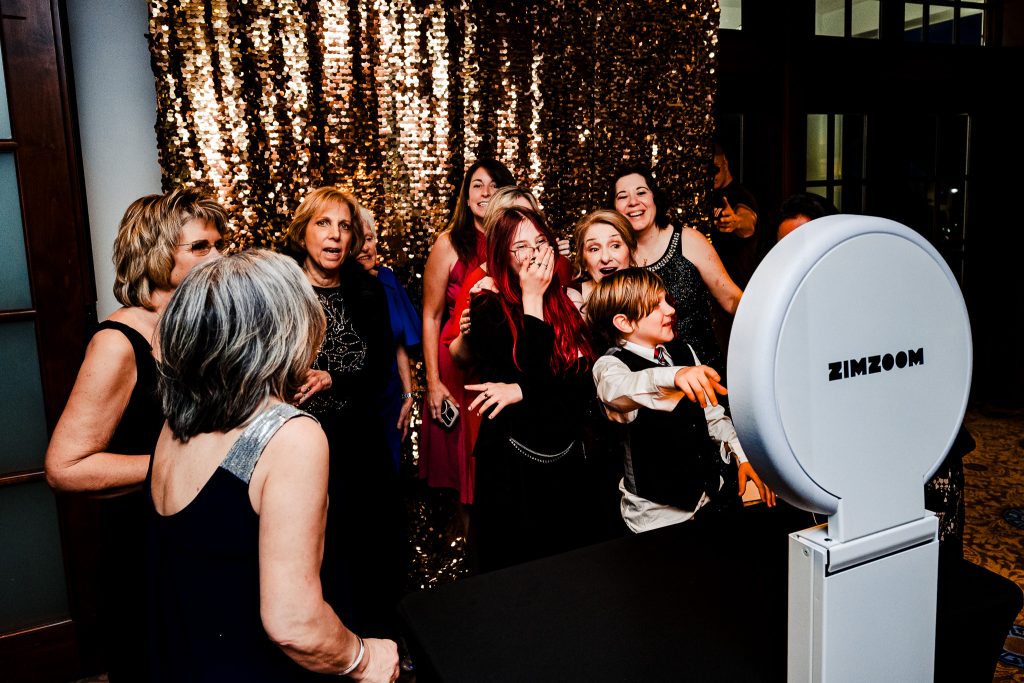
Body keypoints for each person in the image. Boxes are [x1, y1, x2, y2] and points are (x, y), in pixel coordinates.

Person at [148, 250, 399, 682]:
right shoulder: (289, 437)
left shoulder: (175, 421)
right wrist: (363, 658)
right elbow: (293, 624)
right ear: (283, 329)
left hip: (188, 657)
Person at [44, 188, 228, 682]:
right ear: (155, 251)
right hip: (144, 545)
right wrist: (178, 466)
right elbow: (66, 468)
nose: (218, 255)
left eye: (219, 242)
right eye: (201, 246)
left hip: (194, 530)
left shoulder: (196, 328)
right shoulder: (117, 343)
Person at [283, 187, 406, 641]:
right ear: (303, 231)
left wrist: (334, 378)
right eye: (323, 223)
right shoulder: (279, 286)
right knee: (316, 550)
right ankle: (326, 651)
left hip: (358, 441)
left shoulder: (367, 289)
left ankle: (380, 646)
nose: (335, 235)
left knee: (371, 548)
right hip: (296, 445)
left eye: (344, 226)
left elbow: (378, 370)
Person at [462, 207, 603, 571]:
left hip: (565, 463)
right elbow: (531, 369)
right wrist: (531, 300)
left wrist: (522, 390)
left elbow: (582, 386)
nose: (536, 253)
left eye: (541, 242)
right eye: (521, 246)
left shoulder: (570, 302)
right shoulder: (485, 307)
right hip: (514, 471)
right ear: (501, 257)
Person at [587, 268, 774, 533]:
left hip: (709, 498)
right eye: (655, 306)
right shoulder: (610, 366)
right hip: (656, 517)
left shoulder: (683, 350)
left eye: (666, 300)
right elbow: (617, 391)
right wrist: (675, 376)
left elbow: (712, 416)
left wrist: (742, 457)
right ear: (624, 323)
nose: (670, 310)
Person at [419, 159, 515, 510]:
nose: (486, 192)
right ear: (466, 194)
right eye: (477, 185)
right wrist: (431, 380)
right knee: (464, 469)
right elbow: (430, 316)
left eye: (494, 184)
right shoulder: (450, 243)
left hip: (501, 359)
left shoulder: (517, 238)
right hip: (456, 359)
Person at [609, 164, 741, 380]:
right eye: (622, 196)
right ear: (614, 208)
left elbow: (731, 299)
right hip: (646, 378)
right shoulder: (616, 256)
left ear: (654, 198)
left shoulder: (688, 240)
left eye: (641, 192)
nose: (633, 201)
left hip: (705, 368)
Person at [356, 206, 422, 472]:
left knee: (389, 470)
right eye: (358, 241)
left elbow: (400, 342)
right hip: (355, 397)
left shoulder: (387, 279)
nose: (365, 248)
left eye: (369, 239)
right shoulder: (339, 287)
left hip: (389, 396)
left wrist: (407, 394)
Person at [566, 208, 639, 314]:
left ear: (632, 251)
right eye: (594, 249)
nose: (605, 258)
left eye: (615, 246)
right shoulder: (569, 300)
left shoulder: (653, 294)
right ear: (583, 260)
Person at [710, 142, 761, 289]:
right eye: (707, 171)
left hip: (738, 285)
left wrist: (736, 221)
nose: (712, 176)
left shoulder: (741, 195)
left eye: (715, 169)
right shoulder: (707, 196)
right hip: (715, 285)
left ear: (725, 163)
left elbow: (748, 220)